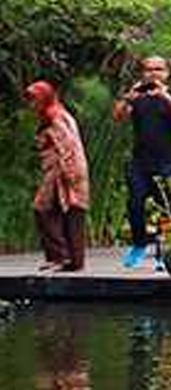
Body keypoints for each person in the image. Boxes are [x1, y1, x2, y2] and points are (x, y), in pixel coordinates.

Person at [112, 56, 171, 270]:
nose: (153, 73)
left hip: (168, 161)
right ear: (142, 73)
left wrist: (165, 96)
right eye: (148, 70)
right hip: (140, 162)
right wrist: (129, 97)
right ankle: (139, 245)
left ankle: (165, 253)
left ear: (167, 73)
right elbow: (117, 116)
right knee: (135, 204)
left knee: (167, 207)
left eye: (158, 69)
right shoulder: (137, 97)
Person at [27, 81, 89, 273]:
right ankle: (73, 260)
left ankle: (60, 256)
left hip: (62, 169)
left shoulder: (55, 116)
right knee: (69, 211)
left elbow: (67, 146)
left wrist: (69, 175)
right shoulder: (57, 113)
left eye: (34, 100)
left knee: (43, 208)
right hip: (66, 169)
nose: (31, 105)